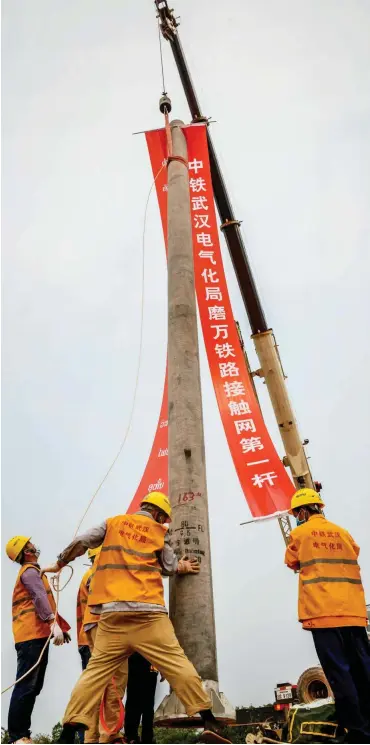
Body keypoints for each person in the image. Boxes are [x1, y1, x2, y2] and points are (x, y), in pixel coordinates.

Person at [41, 491, 232, 745]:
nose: (163, 524)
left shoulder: (113, 523)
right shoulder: (157, 534)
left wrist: (60, 562)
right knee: (177, 664)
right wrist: (183, 566)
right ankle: (209, 720)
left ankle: (66, 735)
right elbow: (169, 565)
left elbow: (83, 541)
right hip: (149, 616)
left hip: (112, 618)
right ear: (157, 514)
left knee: (93, 676)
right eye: (163, 519)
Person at [285, 488, 370, 744]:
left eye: (296, 513)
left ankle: (357, 732)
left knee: (339, 674)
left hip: (324, 614)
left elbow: (292, 561)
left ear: (301, 511)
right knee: (363, 670)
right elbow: (354, 553)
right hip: (353, 613)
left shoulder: (299, 533)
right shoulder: (343, 533)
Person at [5, 535, 71, 745]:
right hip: (31, 636)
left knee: (33, 686)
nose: (35, 546)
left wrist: (58, 626)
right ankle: (17, 736)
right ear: (26, 551)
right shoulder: (31, 572)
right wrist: (52, 622)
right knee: (26, 685)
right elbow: (38, 597)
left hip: (35, 636)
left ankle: (23, 733)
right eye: (30, 544)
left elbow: (45, 600)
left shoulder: (35, 572)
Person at [78, 546, 128, 744]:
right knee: (115, 680)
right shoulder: (97, 574)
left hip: (94, 629)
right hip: (104, 627)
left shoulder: (90, 574)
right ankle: (111, 734)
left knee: (101, 685)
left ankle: (93, 737)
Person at [124, 653, 159, 744]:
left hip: (150, 661)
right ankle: (131, 736)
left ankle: (146, 737)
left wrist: (161, 667)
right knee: (133, 699)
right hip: (134, 659)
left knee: (147, 702)